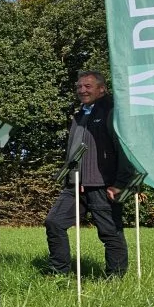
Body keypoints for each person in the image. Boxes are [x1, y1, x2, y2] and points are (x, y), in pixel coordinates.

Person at [44, 71, 133, 277]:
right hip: (76, 184)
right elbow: (77, 150)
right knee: (54, 222)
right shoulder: (79, 115)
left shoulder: (113, 112)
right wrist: (75, 176)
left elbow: (126, 149)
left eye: (88, 86)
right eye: (79, 87)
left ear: (102, 89)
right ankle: (59, 274)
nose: (82, 90)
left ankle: (116, 279)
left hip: (105, 184)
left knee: (110, 233)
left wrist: (121, 182)